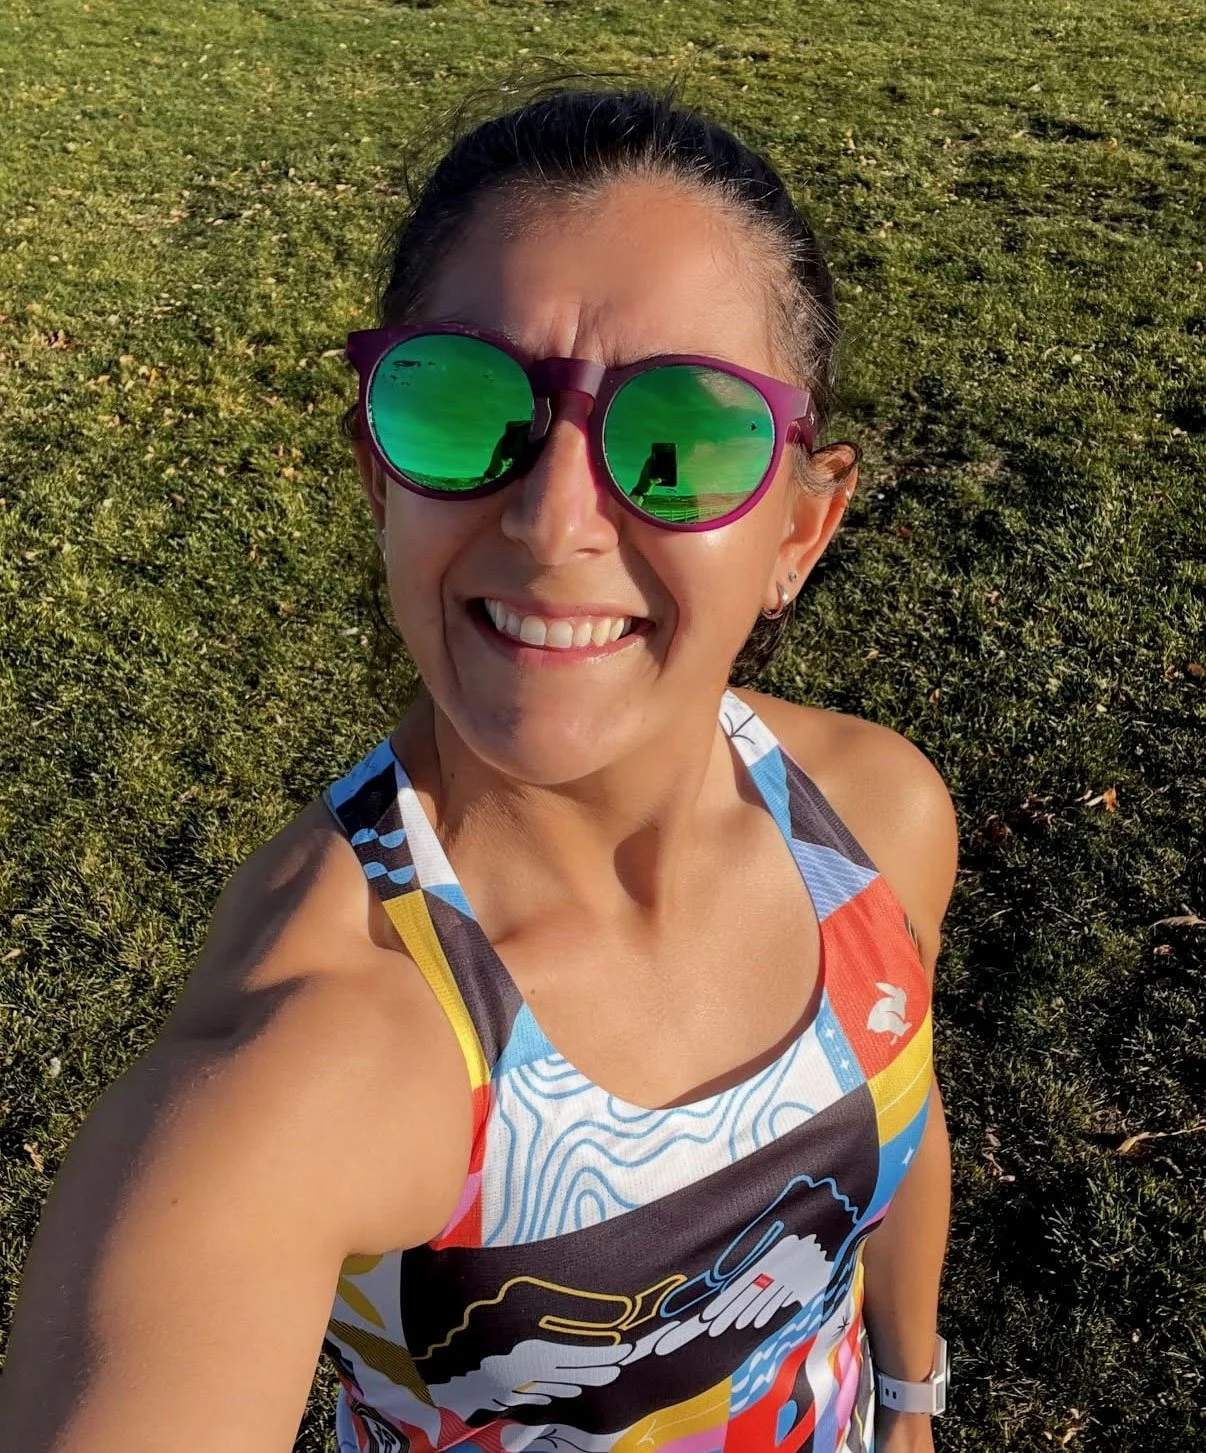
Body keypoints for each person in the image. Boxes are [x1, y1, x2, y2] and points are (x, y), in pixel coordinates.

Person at [0, 84, 959, 1453]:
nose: (553, 519)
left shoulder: (874, 819)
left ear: (801, 531)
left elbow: (897, 1111)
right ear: (377, 477)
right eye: (463, 410)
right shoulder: (305, 1061)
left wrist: (909, 1399)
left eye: (680, 439)